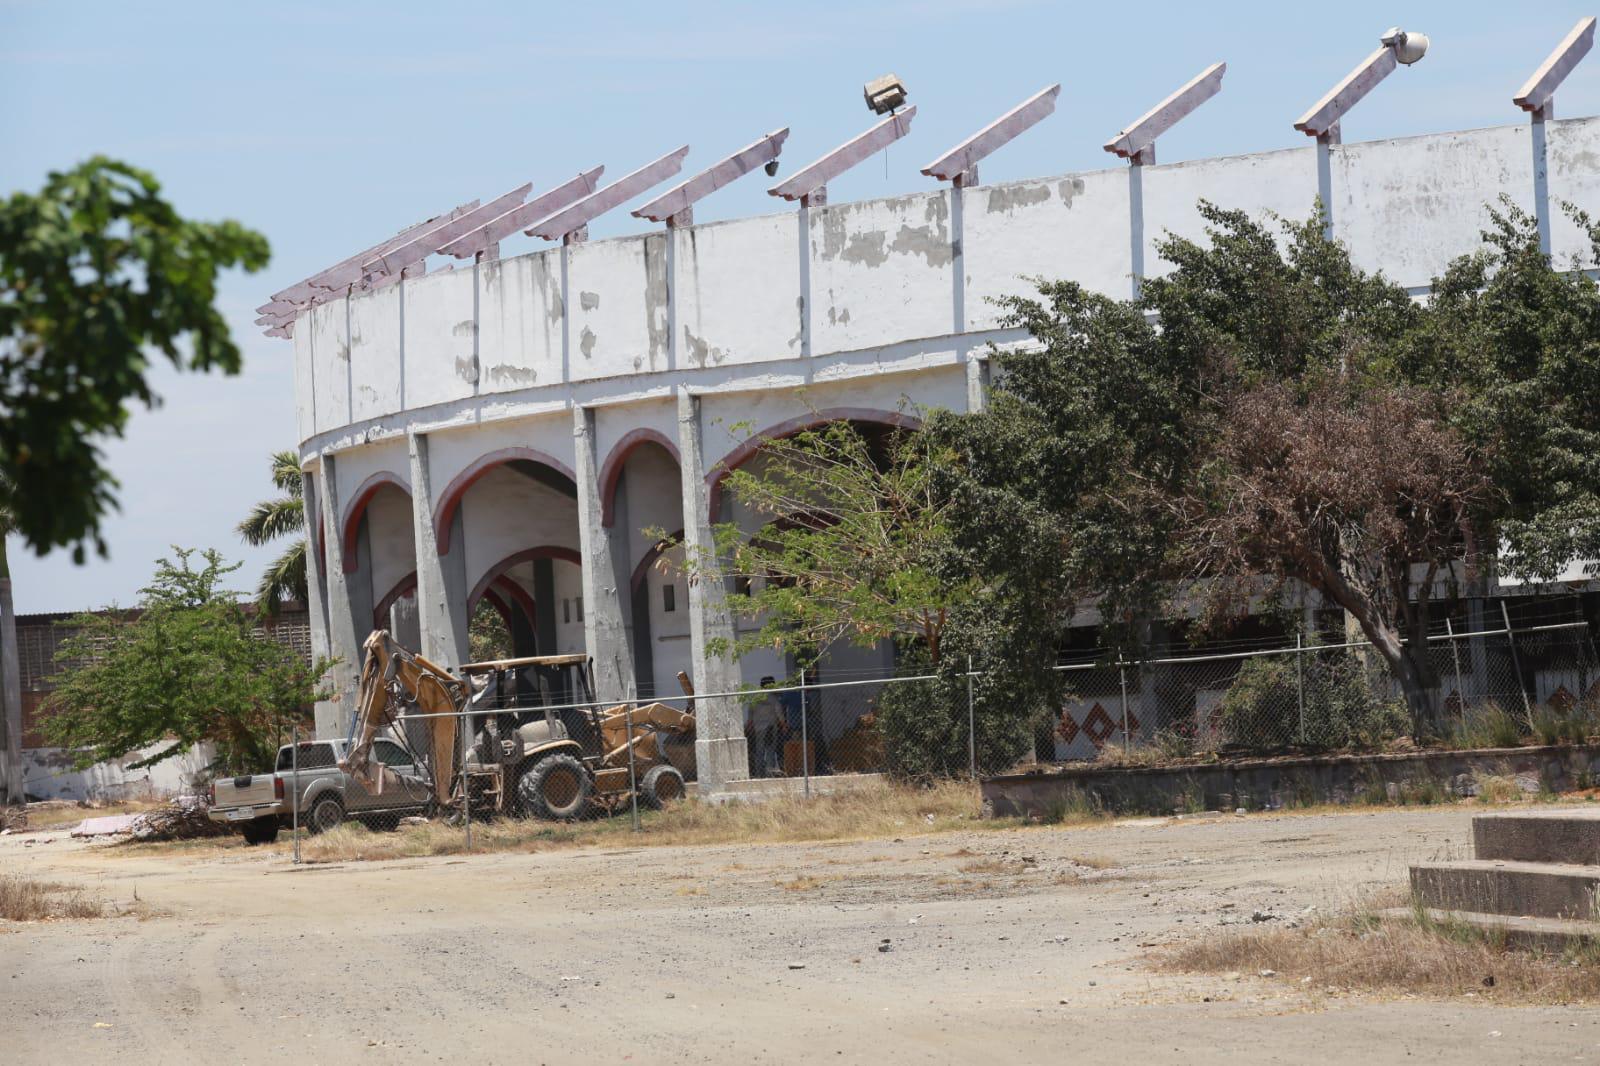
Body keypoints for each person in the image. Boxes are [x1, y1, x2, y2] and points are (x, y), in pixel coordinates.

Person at [746, 677, 784, 777]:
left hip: (758, 729)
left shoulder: (755, 698)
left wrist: (749, 726)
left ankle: (759, 774)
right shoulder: (773, 698)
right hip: (771, 729)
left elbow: (750, 714)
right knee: (770, 751)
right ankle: (769, 773)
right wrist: (784, 725)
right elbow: (779, 713)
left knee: (759, 752)